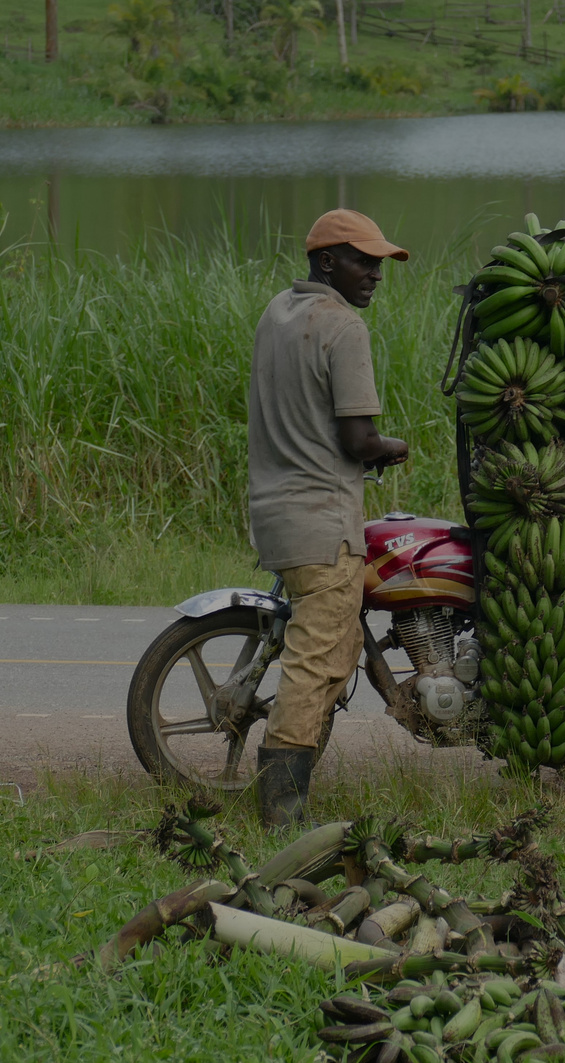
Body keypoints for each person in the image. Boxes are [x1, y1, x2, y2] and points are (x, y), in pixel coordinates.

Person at [248, 208, 410, 827]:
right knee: (315, 664)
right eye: (363, 261)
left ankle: (291, 788)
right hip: (323, 522)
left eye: (378, 263)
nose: (375, 273)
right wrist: (391, 448)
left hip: (274, 512)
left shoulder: (277, 313)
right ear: (326, 262)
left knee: (332, 654)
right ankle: (281, 813)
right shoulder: (342, 327)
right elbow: (357, 441)